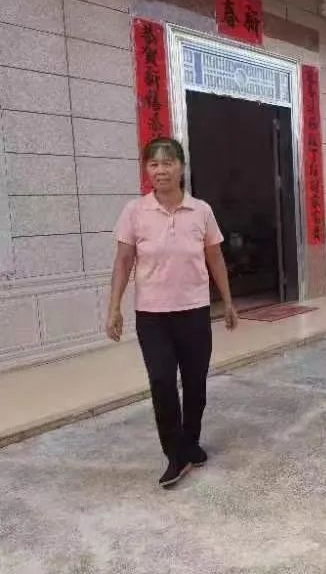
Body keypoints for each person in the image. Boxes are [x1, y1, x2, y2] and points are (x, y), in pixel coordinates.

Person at [106, 137, 238, 489]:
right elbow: (123, 261)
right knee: (162, 381)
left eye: (168, 163)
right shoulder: (135, 211)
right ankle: (175, 454)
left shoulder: (201, 211)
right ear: (146, 170)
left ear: (181, 167)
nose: (160, 170)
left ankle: (190, 443)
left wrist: (228, 301)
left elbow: (215, 258)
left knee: (195, 383)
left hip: (194, 311)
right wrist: (114, 307)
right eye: (153, 164)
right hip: (152, 316)